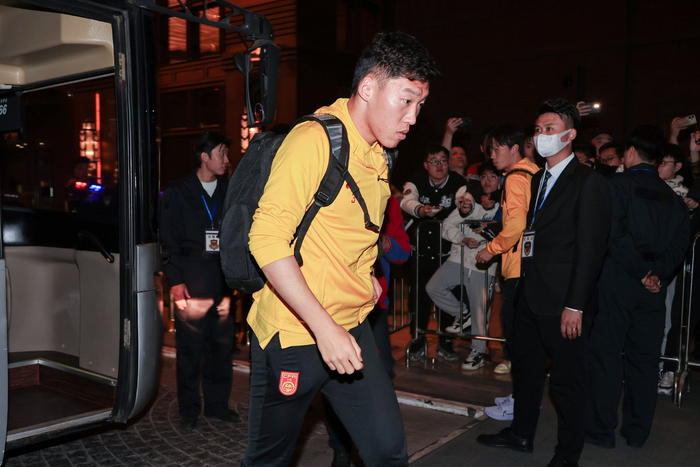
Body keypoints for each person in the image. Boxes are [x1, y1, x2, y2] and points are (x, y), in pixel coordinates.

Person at [241, 31, 439, 467]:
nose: (413, 117)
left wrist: (365, 274)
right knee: (268, 460)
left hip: (352, 326)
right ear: (368, 88)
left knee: (387, 451)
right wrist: (323, 328)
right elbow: (266, 237)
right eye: (406, 100)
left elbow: (353, 229)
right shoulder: (314, 140)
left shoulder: (379, 152)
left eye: (420, 105)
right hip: (296, 332)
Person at [477, 98, 612, 467]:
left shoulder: (589, 183)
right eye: (537, 130)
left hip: (564, 302)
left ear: (569, 135)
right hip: (530, 294)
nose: (541, 136)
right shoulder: (537, 179)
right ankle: (520, 434)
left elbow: (591, 250)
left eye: (549, 129)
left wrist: (576, 305)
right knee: (526, 371)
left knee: (568, 383)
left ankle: (567, 456)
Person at [586, 125, 689, 449]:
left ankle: (601, 430)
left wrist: (641, 270)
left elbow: (613, 233)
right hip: (653, 290)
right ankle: (637, 432)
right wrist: (656, 273)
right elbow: (680, 243)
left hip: (617, 282)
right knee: (644, 361)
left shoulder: (616, 186)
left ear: (630, 152)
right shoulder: (673, 199)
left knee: (606, 356)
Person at [160, 132, 239, 432]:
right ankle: (189, 409)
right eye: (222, 153)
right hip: (191, 277)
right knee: (190, 348)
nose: (227, 160)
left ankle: (217, 405)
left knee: (221, 346)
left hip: (222, 278)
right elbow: (168, 239)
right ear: (204, 157)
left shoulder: (229, 189)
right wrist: (175, 281)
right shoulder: (178, 190)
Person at [475, 124, 539, 420]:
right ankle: (521, 397)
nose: (492, 154)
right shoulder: (534, 173)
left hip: (518, 268)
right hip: (532, 265)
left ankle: (521, 405)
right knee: (526, 339)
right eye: (490, 149)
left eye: (497, 148)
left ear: (515, 148)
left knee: (518, 340)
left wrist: (491, 249)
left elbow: (515, 225)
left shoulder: (515, 178)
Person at [401, 145, 467, 361]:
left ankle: (446, 342)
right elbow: (407, 200)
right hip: (420, 251)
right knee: (418, 297)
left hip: (449, 252)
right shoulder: (417, 181)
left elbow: (462, 198)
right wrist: (421, 209)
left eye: (443, 161)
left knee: (449, 294)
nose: (439, 166)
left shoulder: (458, 182)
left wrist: (465, 205)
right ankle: (418, 340)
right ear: (425, 164)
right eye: (433, 161)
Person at [426, 188, 498, 370]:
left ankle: (478, 352)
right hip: (458, 258)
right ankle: (463, 313)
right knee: (433, 287)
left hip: (483, 262)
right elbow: (447, 225)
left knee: (480, 310)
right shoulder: (468, 197)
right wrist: (462, 239)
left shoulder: (501, 203)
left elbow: (505, 231)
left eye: (492, 177)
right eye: (484, 177)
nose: (487, 181)